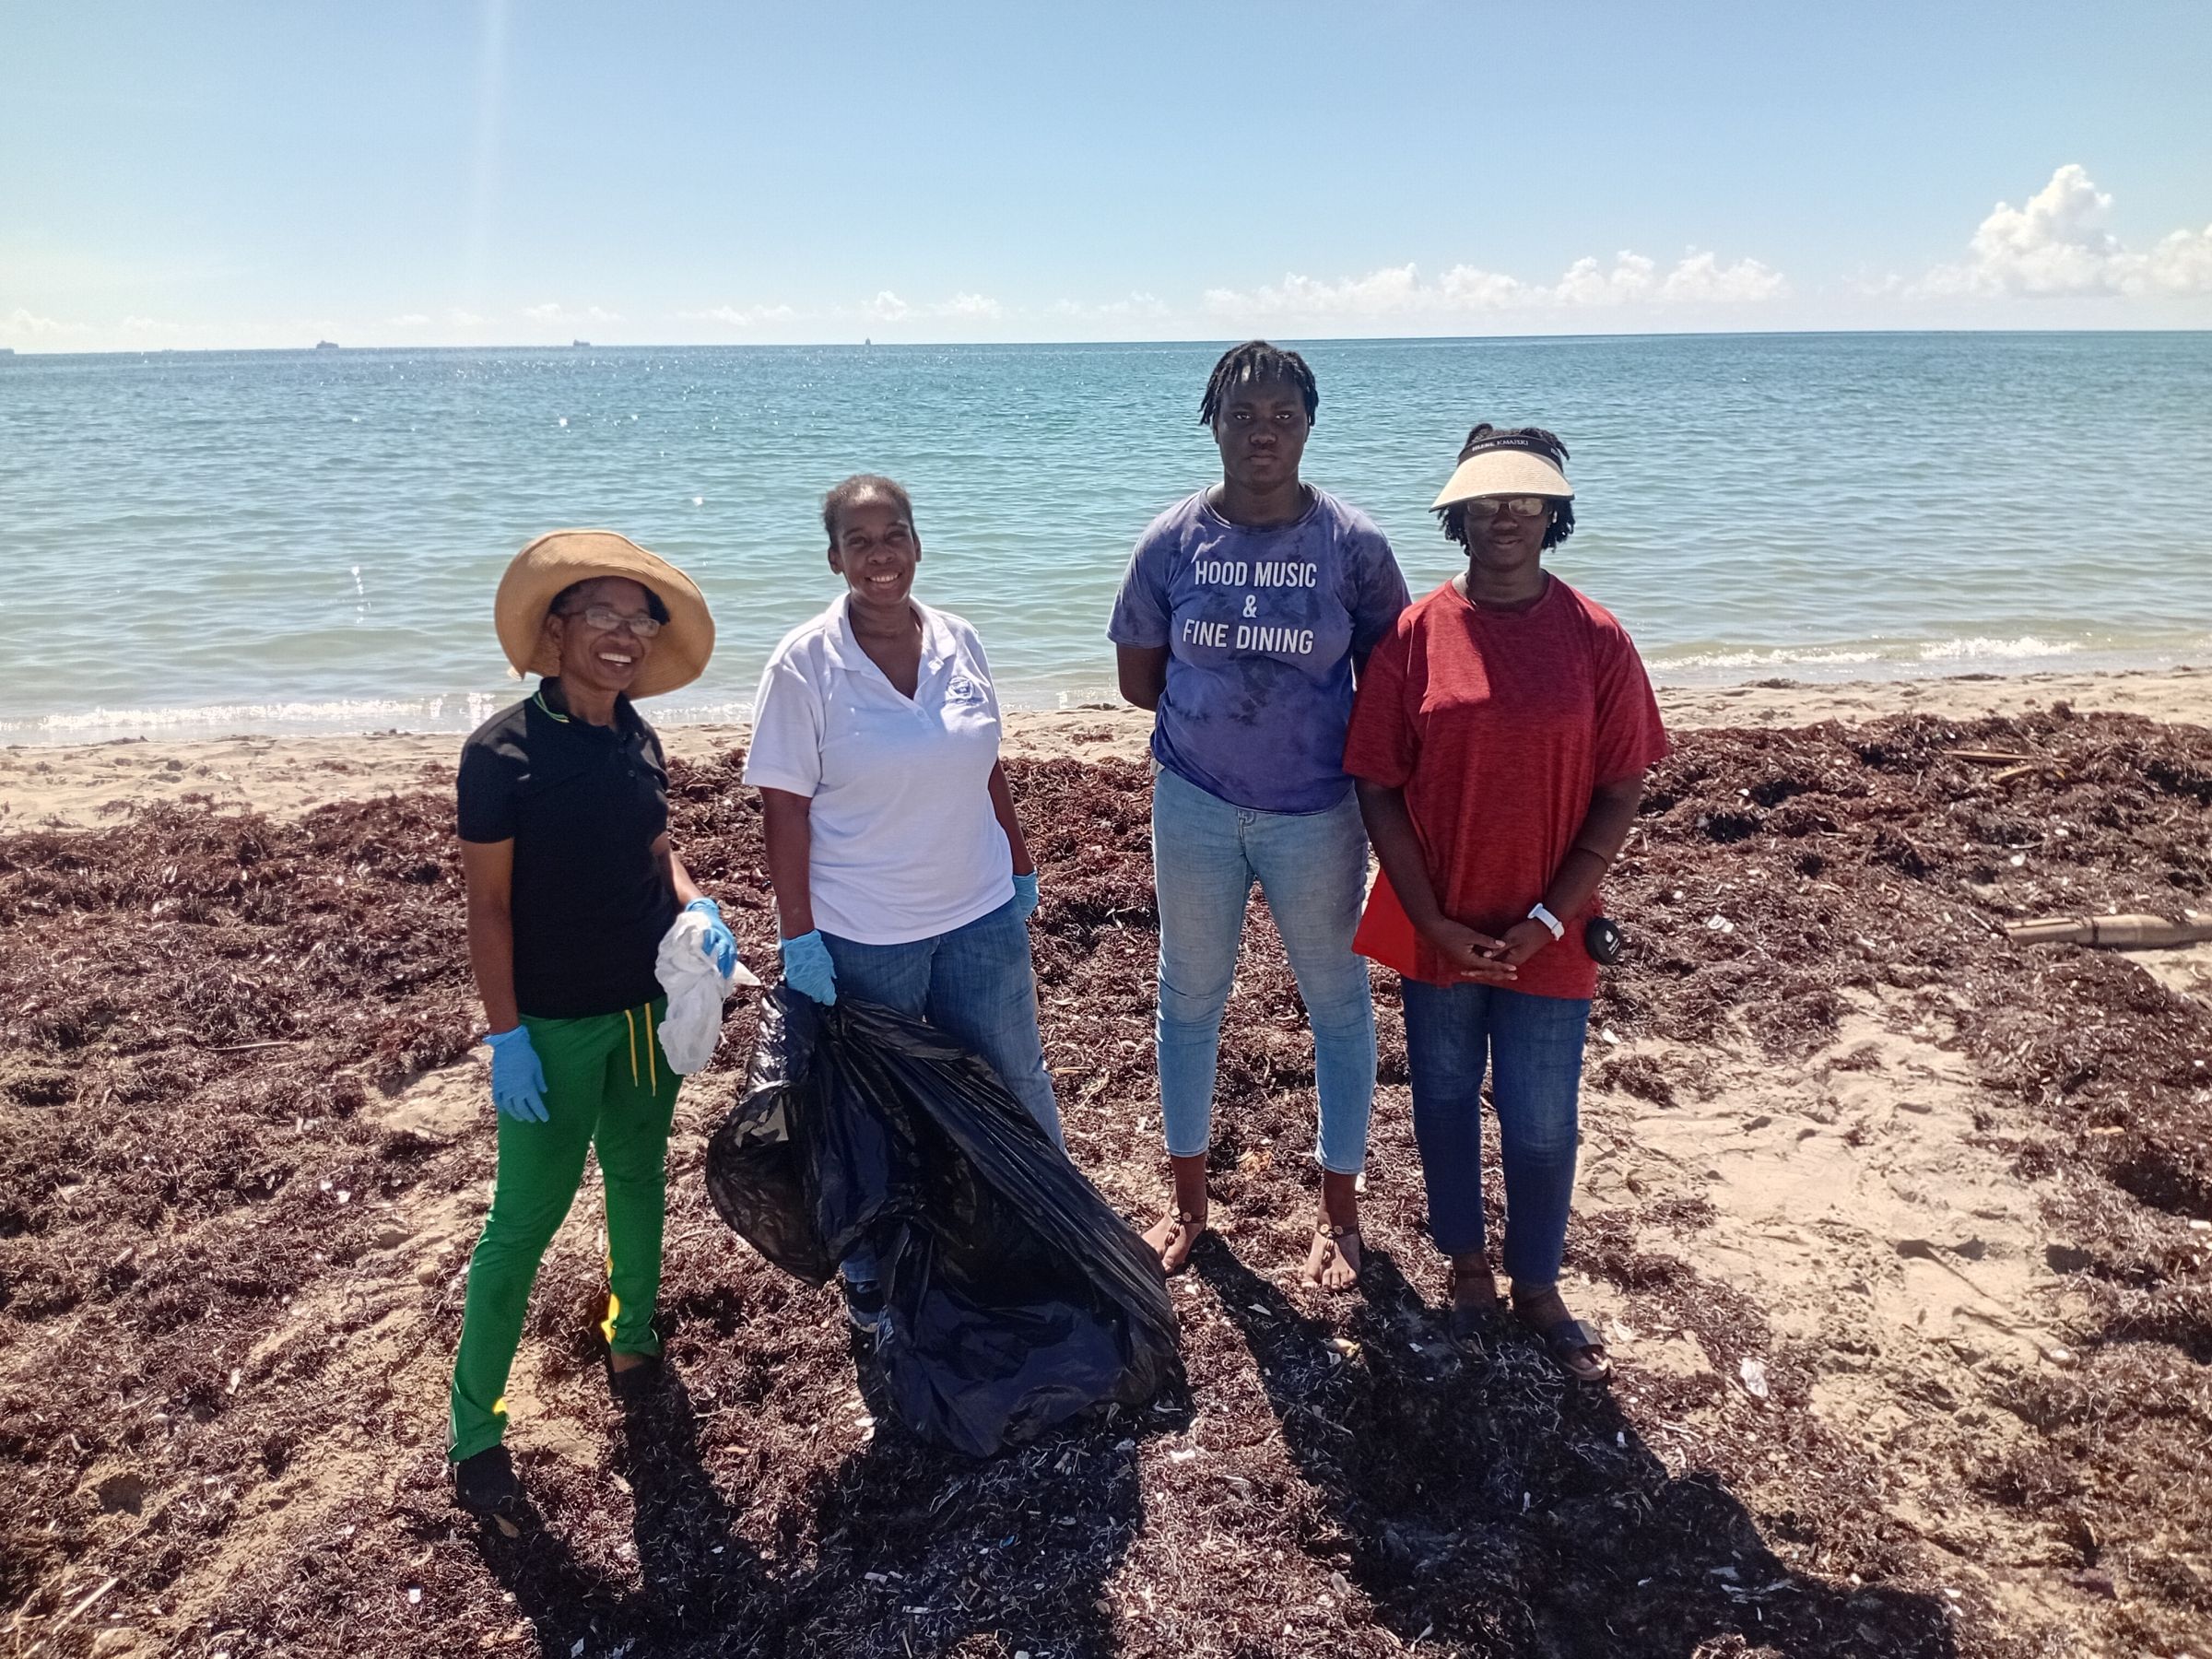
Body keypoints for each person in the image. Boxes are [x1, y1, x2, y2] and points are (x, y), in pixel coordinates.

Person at [1345, 425, 1669, 1382]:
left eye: (1527, 501)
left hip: (1551, 933)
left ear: (1554, 514)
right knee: (1443, 1101)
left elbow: (1622, 789)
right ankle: (1466, 1262)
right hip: (1438, 920)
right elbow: (1378, 786)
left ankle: (1538, 1282)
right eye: (1487, 501)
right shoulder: (1414, 635)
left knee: (1539, 1120)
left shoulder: (1597, 638)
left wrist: (1545, 920)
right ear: (1459, 514)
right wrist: (1435, 919)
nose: (1507, 518)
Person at [447, 529, 737, 1514]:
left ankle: (634, 1338)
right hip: (554, 1025)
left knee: (640, 1176)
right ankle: (476, 1427)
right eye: (600, 616)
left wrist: (697, 906)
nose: (621, 636)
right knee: (522, 1222)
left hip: (647, 1013)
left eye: (638, 620)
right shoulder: (500, 753)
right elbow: (487, 907)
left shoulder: (639, 738)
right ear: (557, 627)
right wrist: (506, 1035)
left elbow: (657, 852)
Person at [1109, 341, 1409, 1290]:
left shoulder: (1353, 547)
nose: (1263, 431)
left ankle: (1341, 1214)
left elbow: (1391, 681)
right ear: (1213, 423)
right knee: (1189, 998)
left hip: (1317, 815)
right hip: (1193, 803)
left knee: (1337, 1005)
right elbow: (1137, 680)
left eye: (1283, 414)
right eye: (1243, 414)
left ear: (1311, 424)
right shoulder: (1172, 541)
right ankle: (1188, 1203)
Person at [745, 474, 1061, 1332]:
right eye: (860, 541)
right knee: (876, 1105)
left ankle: (1053, 1226)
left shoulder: (961, 639)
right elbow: (785, 810)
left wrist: (1019, 858)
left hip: (981, 913)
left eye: (894, 537)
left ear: (918, 544)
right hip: (868, 932)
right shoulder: (805, 664)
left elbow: (986, 762)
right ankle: (870, 1270)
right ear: (835, 558)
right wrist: (798, 937)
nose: (880, 556)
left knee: (1014, 1077)